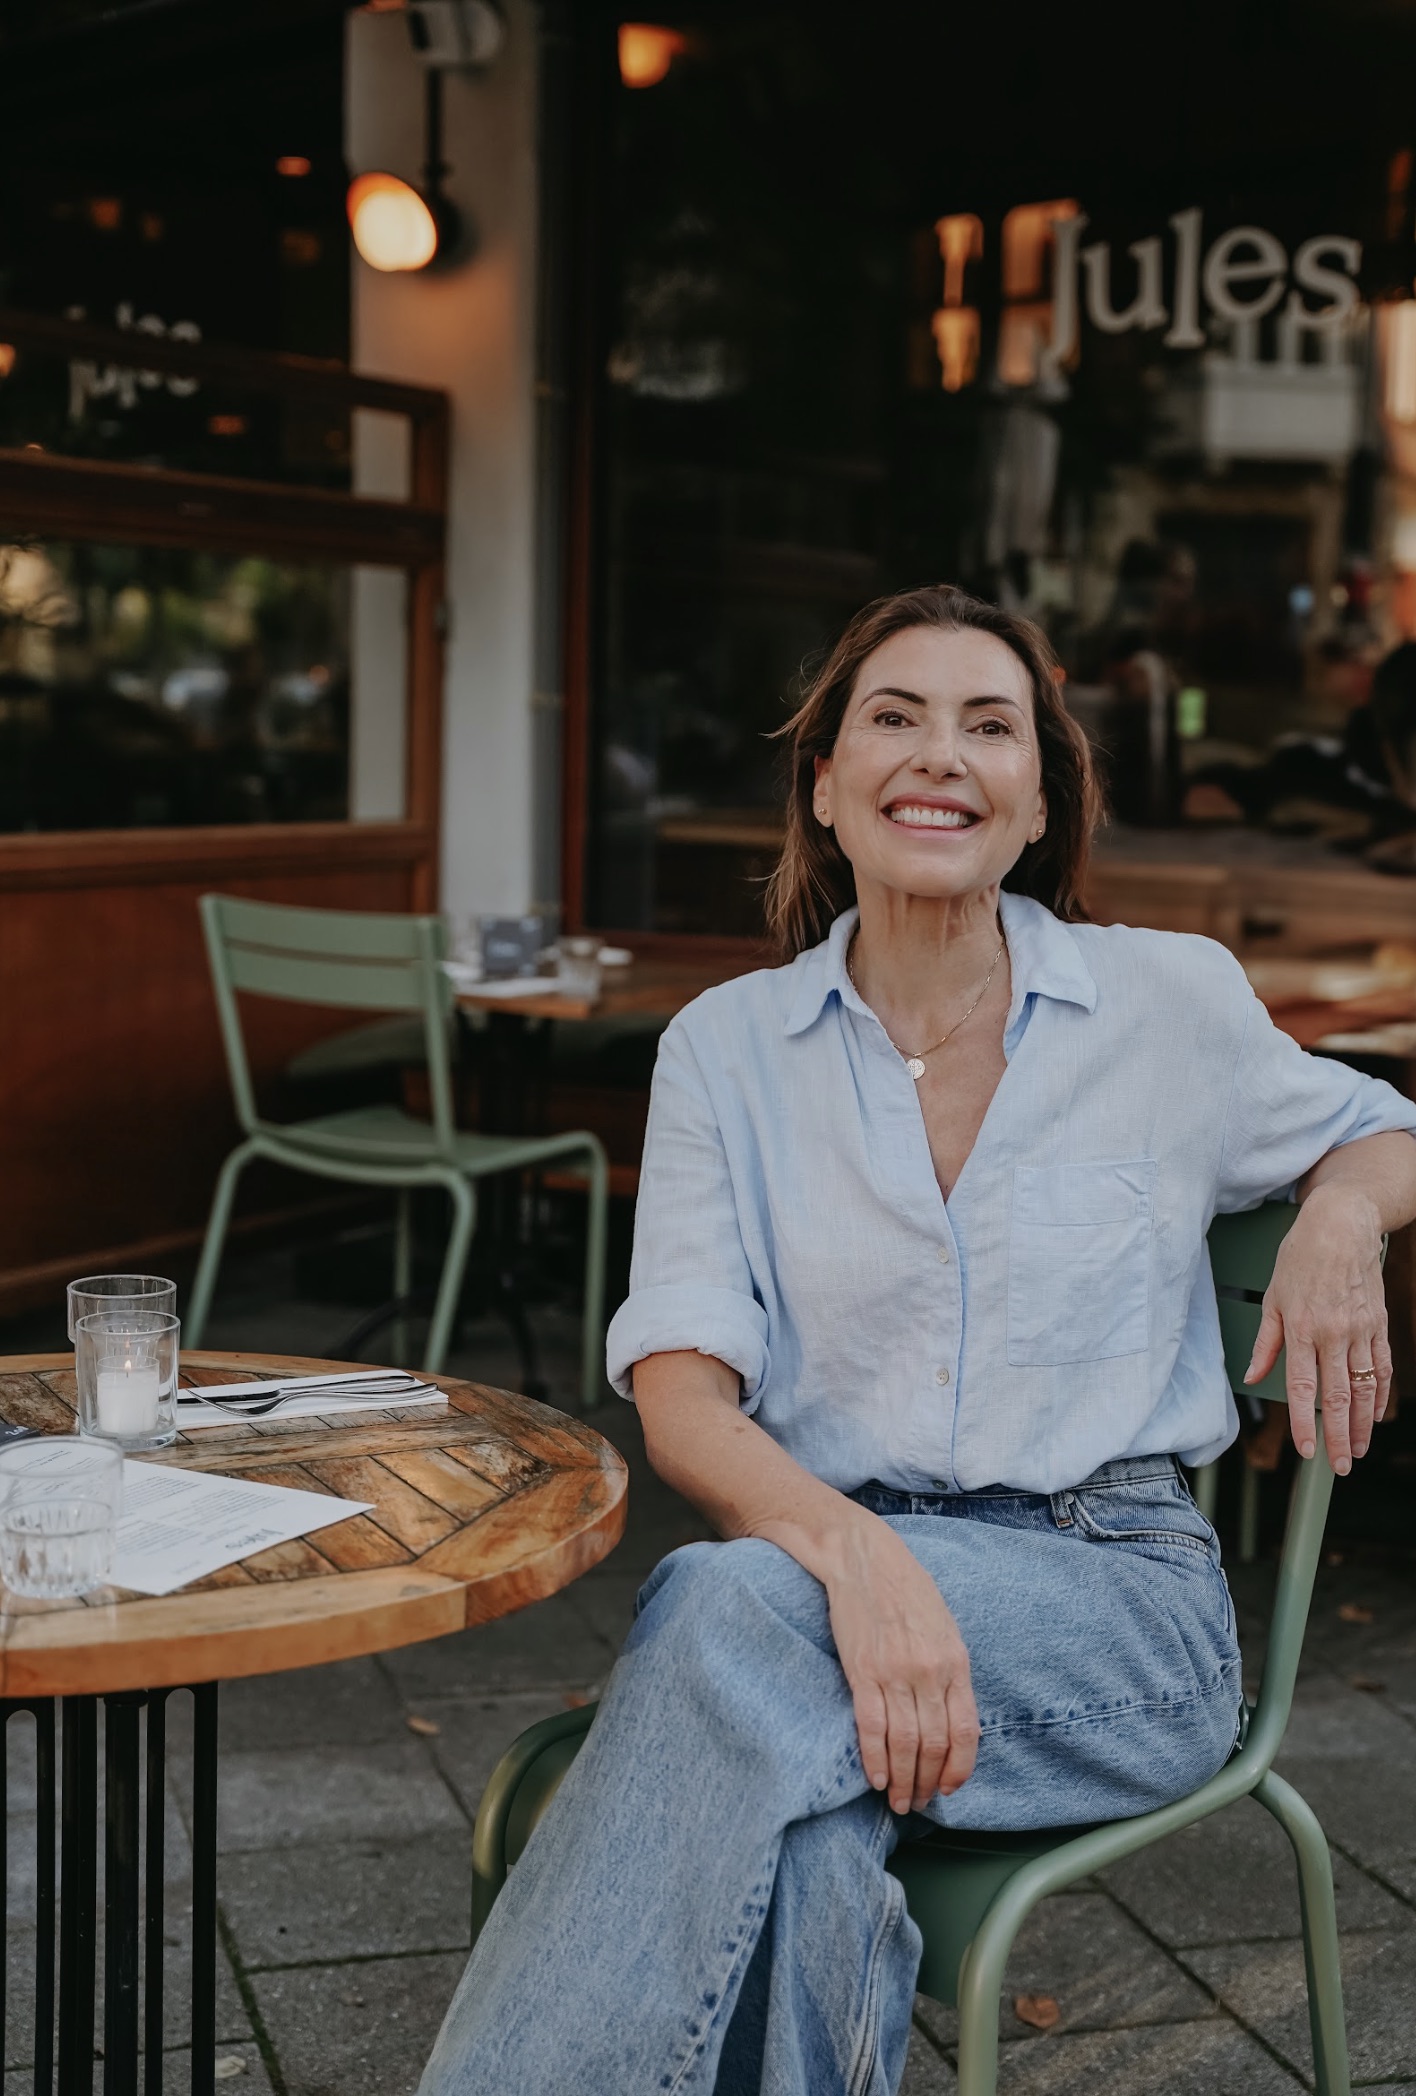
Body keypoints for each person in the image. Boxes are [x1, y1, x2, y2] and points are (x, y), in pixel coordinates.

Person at [420, 585, 1416, 2096]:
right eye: (893, 717)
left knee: (720, 1614)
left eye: (988, 724)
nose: (938, 754)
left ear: (1033, 803)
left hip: (1111, 1607)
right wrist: (859, 1558)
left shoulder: (1167, 1002)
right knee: (805, 1834)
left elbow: (1392, 1131)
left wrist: (1341, 1220)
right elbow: (682, 1397)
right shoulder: (725, 1052)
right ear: (825, 784)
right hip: (832, 1581)